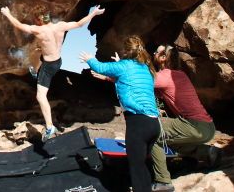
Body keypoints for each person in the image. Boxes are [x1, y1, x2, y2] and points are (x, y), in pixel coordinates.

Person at [1, 4, 105, 142]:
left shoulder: (39, 30)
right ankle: (35, 70)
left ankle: (50, 126)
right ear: (49, 17)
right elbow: (80, 24)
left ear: (38, 20)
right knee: (38, 51)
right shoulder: (60, 26)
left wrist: (7, 13)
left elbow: (19, 25)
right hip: (58, 61)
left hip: (49, 66)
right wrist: (94, 13)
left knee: (40, 96)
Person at [80, 36, 159, 192]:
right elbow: (129, 81)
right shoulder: (146, 69)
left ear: (126, 51)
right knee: (142, 166)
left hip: (138, 124)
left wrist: (90, 59)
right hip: (153, 124)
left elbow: (101, 68)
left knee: (136, 168)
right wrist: (118, 65)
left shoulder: (124, 66)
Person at [149, 44, 221, 191]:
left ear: (163, 58)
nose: (153, 53)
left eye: (156, 52)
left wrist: (109, 76)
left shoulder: (165, 76)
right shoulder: (179, 75)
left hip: (194, 126)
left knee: (152, 133)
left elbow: (137, 82)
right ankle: (207, 153)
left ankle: (163, 181)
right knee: (170, 139)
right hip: (207, 127)